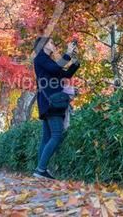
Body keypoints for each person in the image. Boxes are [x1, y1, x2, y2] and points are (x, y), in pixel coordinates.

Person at [32, 36, 80, 179]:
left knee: (46, 138)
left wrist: (75, 62)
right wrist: (67, 54)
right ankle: (40, 170)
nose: (53, 45)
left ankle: (40, 170)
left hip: (50, 102)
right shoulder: (40, 58)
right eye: (51, 42)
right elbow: (55, 68)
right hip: (51, 102)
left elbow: (64, 74)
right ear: (44, 45)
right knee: (56, 135)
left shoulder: (48, 61)